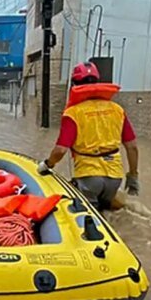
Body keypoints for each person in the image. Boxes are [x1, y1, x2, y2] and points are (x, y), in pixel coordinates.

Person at [37, 62, 140, 212]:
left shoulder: (73, 113)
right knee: (107, 212)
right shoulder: (117, 110)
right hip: (115, 178)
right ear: (97, 81)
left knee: (88, 216)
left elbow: (60, 151)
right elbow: (132, 147)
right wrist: (133, 175)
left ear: (74, 84)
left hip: (88, 177)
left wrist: (47, 164)